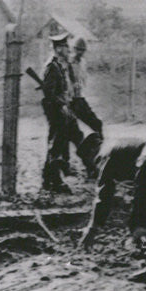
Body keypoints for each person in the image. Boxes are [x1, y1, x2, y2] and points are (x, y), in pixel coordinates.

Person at [77, 136, 146, 280]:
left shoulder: (104, 153)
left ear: (92, 151)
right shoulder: (120, 144)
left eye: (89, 160)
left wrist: (92, 228)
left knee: (137, 221)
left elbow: (103, 195)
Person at [40, 34, 100, 192]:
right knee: (57, 145)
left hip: (65, 110)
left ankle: (90, 168)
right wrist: (62, 106)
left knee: (74, 137)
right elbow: (50, 94)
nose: (69, 50)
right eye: (66, 47)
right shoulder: (52, 66)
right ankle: (53, 181)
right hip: (58, 111)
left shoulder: (60, 65)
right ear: (59, 49)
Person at [69, 37, 104, 137]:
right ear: (74, 49)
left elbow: (83, 80)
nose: (80, 52)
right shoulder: (68, 63)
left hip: (79, 98)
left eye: (82, 50)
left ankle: (99, 146)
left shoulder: (83, 62)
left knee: (97, 124)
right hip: (69, 100)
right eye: (78, 49)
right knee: (69, 131)